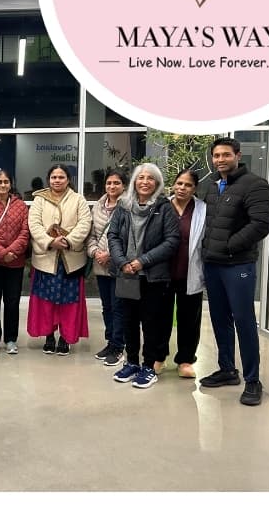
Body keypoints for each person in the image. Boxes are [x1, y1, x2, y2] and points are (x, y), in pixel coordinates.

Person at [199, 138, 269, 407]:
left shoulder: (254, 184)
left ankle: (253, 380)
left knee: (243, 321)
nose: (220, 159)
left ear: (238, 155)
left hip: (237, 264)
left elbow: (261, 224)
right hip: (213, 265)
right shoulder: (210, 186)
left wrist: (230, 247)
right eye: (216, 155)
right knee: (219, 319)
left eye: (226, 155)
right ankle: (227, 369)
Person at [106, 164, 180, 390]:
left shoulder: (164, 207)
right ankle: (132, 363)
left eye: (150, 178)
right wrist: (123, 262)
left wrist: (142, 261)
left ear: (157, 183)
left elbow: (172, 241)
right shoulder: (124, 206)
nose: (145, 182)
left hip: (153, 276)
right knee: (128, 321)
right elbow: (113, 235)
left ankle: (149, 367)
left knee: (151, 323)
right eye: (140, 178)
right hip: (127, 274)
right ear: (134, 182)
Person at [27, 166, 92, 354]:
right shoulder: (39, 200)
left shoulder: (78, 200)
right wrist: (50, 241)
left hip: (71, 260)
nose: (57, 180)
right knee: (46, 301)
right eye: (53, 177)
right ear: (48, 179)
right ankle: (49, 335)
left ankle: (65, 337)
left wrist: (68, 241)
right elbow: (34, 224)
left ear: (68, 179)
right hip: (46, 259)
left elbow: (84, 224)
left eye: (61, 177)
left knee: (68, 301)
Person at [157, 169, 207, 379]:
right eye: (179, 183)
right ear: (173, 185)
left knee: (190, 319)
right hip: (163, 272)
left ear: (194, 188)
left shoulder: (203, 209)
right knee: (160, 317)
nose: (182, 188)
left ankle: (186, 360)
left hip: (190, 272)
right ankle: (158, 356)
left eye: (187, 185)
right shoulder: (161, 207)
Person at [0, 169, 30, 356]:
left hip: (15, 264)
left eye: (6, 182)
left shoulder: (21, 206)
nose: (2, 185)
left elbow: (25, 232)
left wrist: (12, 252)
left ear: (11, 184)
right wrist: (1, 253)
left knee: (12, 302)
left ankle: (11, 339)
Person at [86, 168, 128, 366]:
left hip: (118, 266)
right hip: (100, 265)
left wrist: (111, 255)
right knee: (107, 307)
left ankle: (119, 346)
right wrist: (95, 252)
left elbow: (130, 238)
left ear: (124, 185)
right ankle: (110, 342)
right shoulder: (98, 206)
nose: (112, 186)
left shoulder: (129, 205)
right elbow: (92, 234)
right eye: (109, 183)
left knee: (119, 307)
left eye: (116, 183)